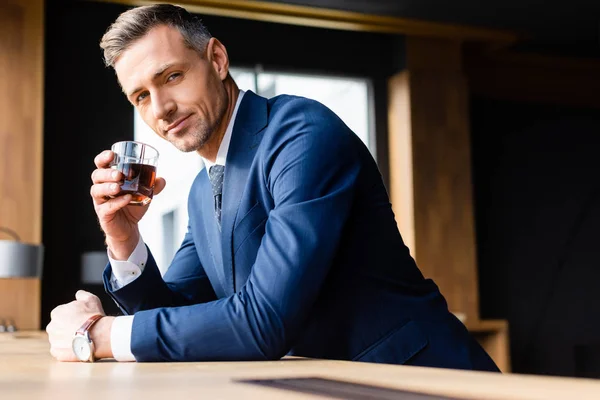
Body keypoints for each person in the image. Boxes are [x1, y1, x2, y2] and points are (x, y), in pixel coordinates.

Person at [46, 4, 499, 371]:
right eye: (141, 96)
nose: (161, 108)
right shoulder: (203, 193)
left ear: (217, 60)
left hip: (426, 378)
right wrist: (123, 239)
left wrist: (99, 336)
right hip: (338, 383)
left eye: (172, 77)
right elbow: (173, 311)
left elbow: (265, 322)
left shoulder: (302, 135)